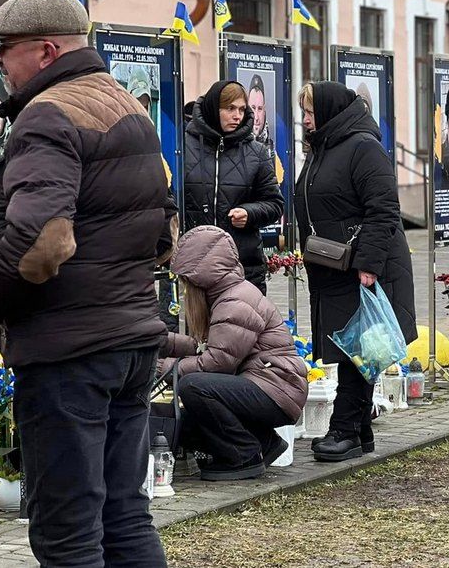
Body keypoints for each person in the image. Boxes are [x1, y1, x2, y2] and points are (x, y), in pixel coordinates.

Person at [0, 0, 172, 565]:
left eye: (4, 48)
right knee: (124, 515)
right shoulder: (127, 106)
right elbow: (165, 231)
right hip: (131, 341)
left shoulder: (47, 114)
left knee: (66, 530)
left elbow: (42, 242)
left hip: (68, 350)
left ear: (46, 51)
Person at [295, 81, 417, 462]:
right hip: (335, 266)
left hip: (363, 268)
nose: (305, 119)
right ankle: (360, 431)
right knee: (353, 345)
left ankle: (344, 429)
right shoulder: (324, 147)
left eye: (310, 112)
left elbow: (383, 209)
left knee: (359, 351)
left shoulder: (363, 147)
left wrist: (368, 264)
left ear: (330, 111)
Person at [158, 226, 308, 480]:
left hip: (276, 389)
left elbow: (216, 364)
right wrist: (161, 341)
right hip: (272, 386)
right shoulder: (230, 294)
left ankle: (244, 455)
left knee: (194, 386)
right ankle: (264, 442)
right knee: (186, 423)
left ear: (199, 279)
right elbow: (207, 347)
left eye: (185, 283)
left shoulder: (233, 303)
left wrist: (162, 368)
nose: (184, 292)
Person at [185, 80, 285, 294]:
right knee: (197, 328)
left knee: (240, 327)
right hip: (195, 264)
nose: (237, 116)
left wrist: (249, 213)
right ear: (214, 108)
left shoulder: (256, 152)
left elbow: (275, 204)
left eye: (241, 109)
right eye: (230, 108)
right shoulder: (184, 146)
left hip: (242, 265)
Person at [248, 73, 269, 148]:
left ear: (264, 112)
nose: (256, 117)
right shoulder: (237, 147)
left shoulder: (272, 152)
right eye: (253, 108)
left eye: (260, 109)